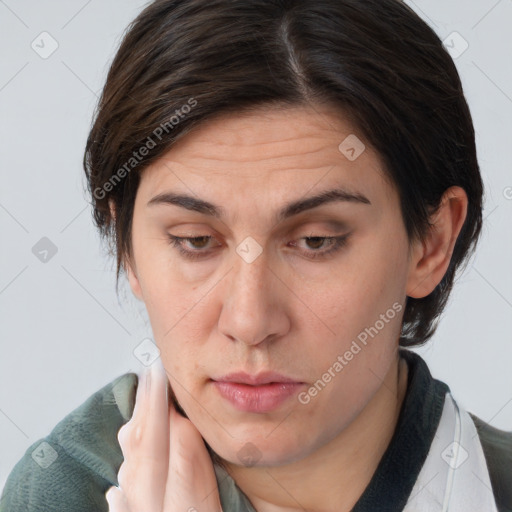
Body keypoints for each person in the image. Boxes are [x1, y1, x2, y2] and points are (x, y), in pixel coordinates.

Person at [1, 0, 510, 511]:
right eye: (195, 241)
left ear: (432, 242)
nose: (249, 322)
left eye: (316, 241)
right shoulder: (57, 494)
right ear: (127, 247)